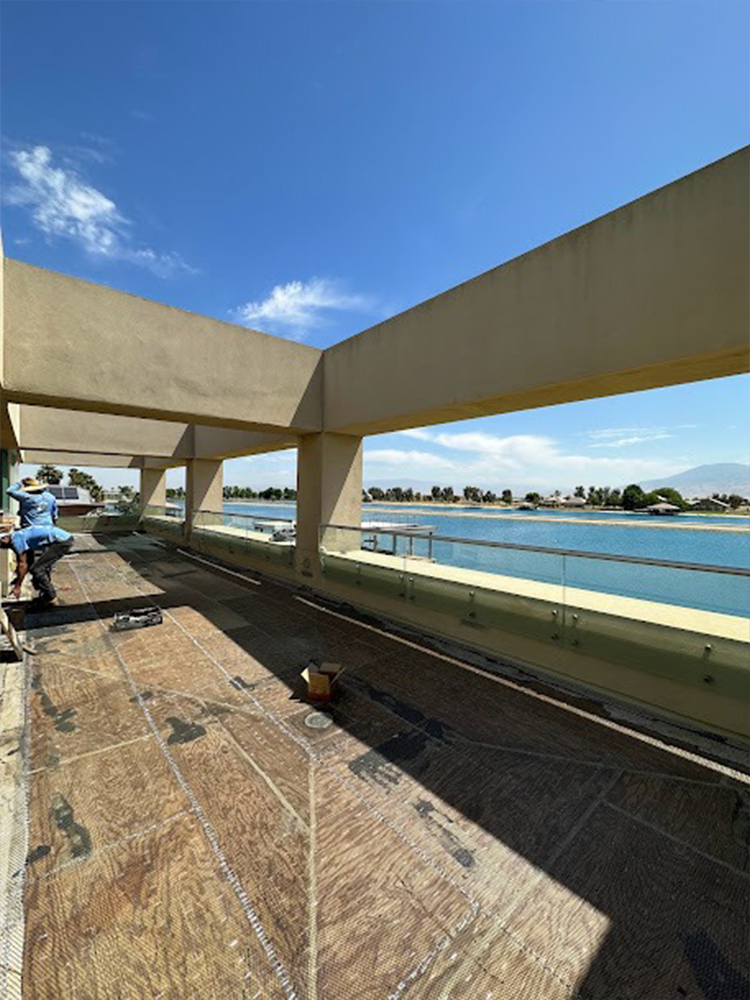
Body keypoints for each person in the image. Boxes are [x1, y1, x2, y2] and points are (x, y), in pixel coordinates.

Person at [0, 524, 73, 605]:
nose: (3, 548)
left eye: (1, 544)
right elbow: (28, 561)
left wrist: (18, 586)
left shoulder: (16, 540)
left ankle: (51, 597)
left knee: (38, 570)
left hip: (62, 542)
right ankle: (45, 593)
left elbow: (22, 564)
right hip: (61, 538)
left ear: (5, 538)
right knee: (36, 568)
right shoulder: (18, 535)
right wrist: (18, 578)